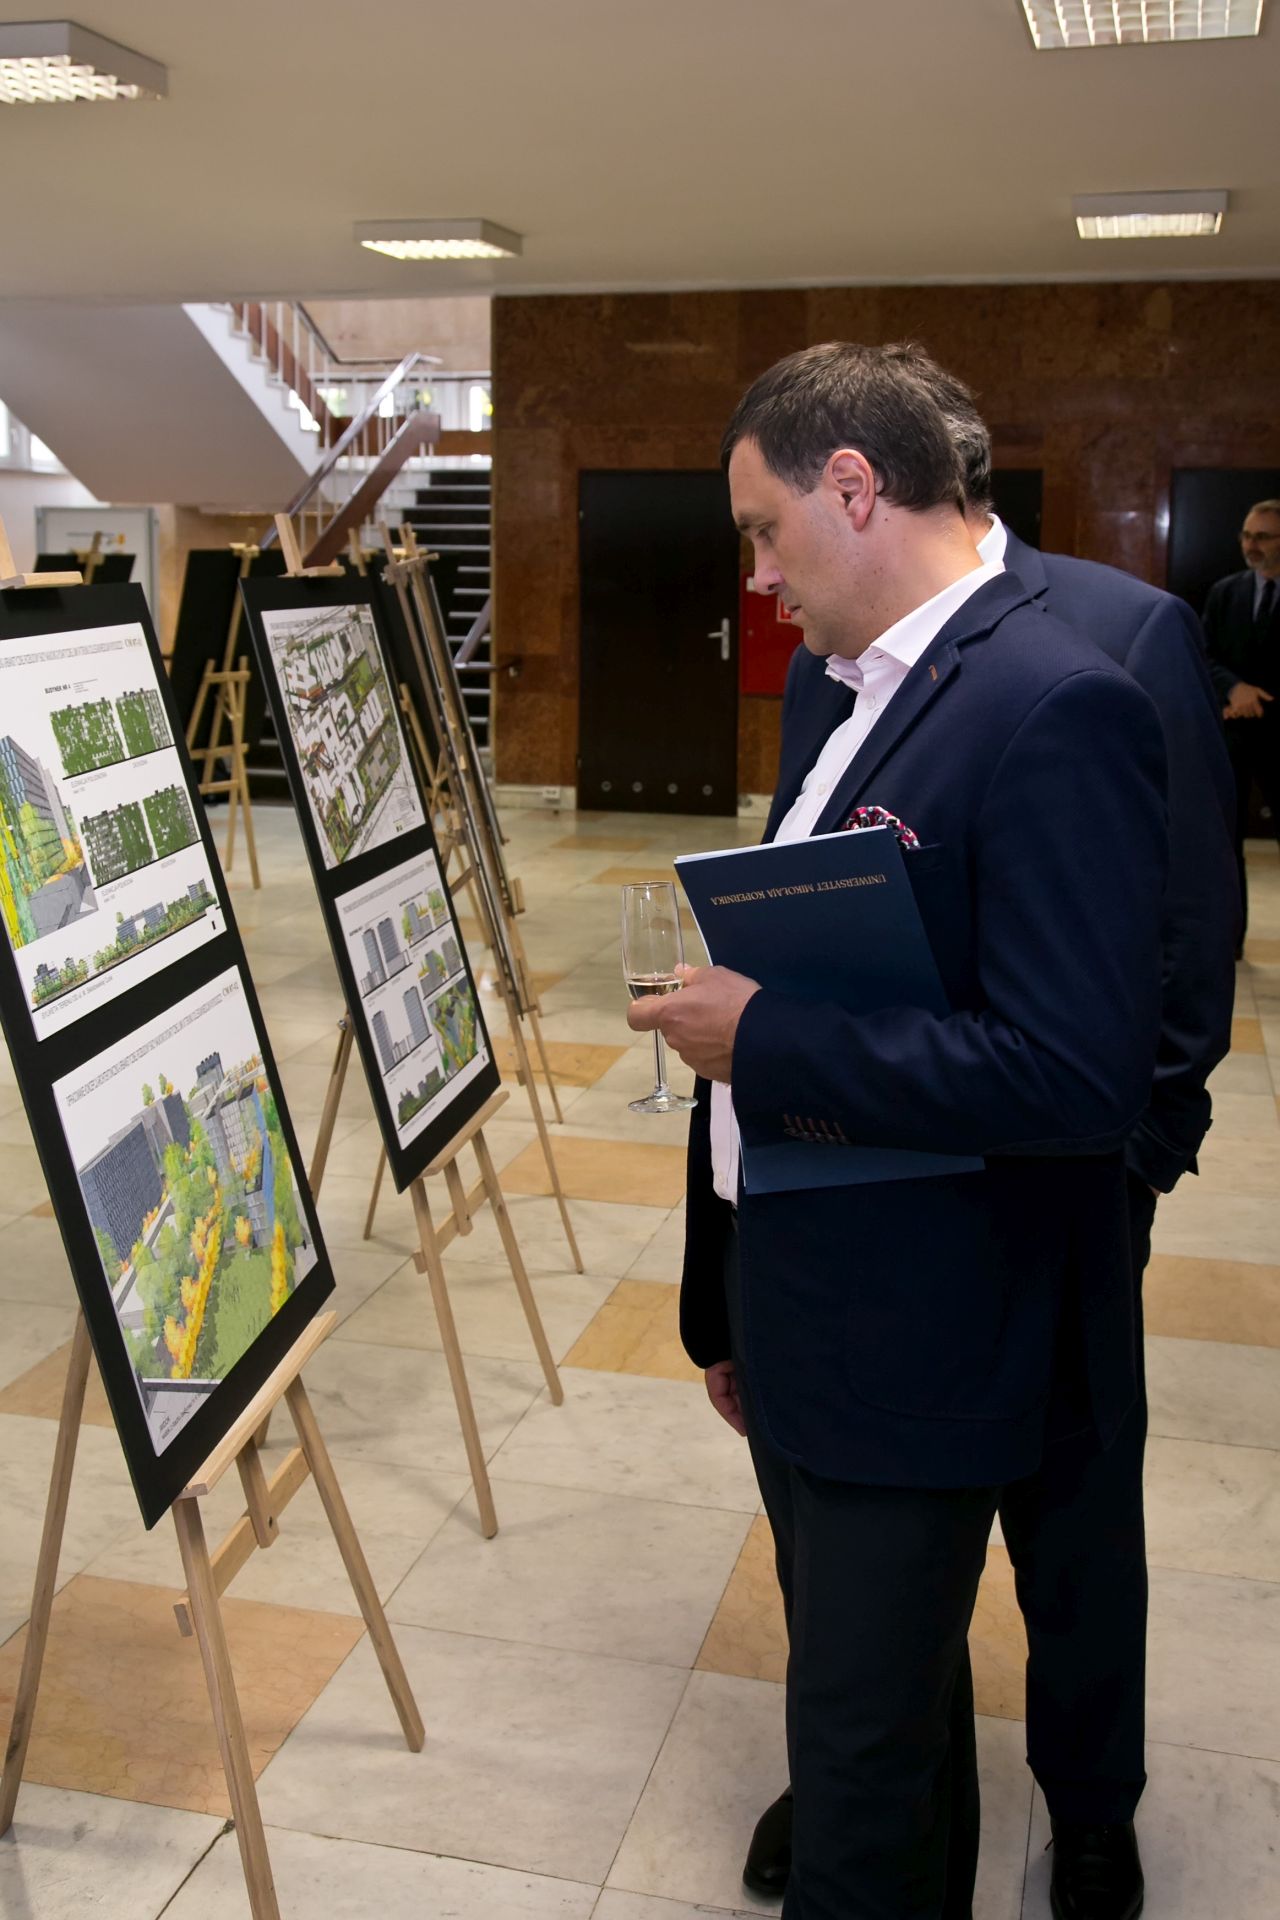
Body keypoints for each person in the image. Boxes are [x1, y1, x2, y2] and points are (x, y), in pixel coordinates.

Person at [629, 342, 1169, 1920]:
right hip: (811, 1307)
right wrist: (731, 1295)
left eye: (765, 529)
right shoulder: (852, 682)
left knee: (860, 1777)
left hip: (918, 1340)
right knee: (885, 1726)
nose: (757, 574)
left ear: (854, 488)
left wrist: (766, 1038)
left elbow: (1073, 1074)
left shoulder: (1053, 699)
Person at [1201, 498, 1280, 934]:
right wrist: (1234, 689)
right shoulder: (1226, 592)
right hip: (1232, 730)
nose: (1251, 545)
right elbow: (1206, 653)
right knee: (1226, 842)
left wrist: (1258, 696)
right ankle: (1231, 938)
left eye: (1262, 537)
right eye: (1247, 536)